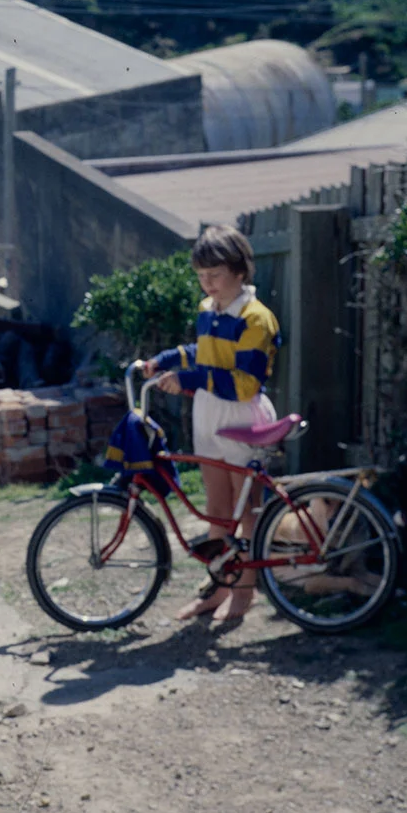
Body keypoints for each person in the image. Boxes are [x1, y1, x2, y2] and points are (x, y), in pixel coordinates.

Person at [142, 225, 282, 623]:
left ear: (240, 271)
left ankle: (244, 592)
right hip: (208, 412)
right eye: (202, 276)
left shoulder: (257, 319)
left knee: (247, 510)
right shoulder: (209, 310)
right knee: (217, 510)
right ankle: (218, 586)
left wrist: (187, 380)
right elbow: (203, 354)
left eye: (215, 275)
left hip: (240, 416)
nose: (208, 283)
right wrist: (166, 360)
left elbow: (243, 383)